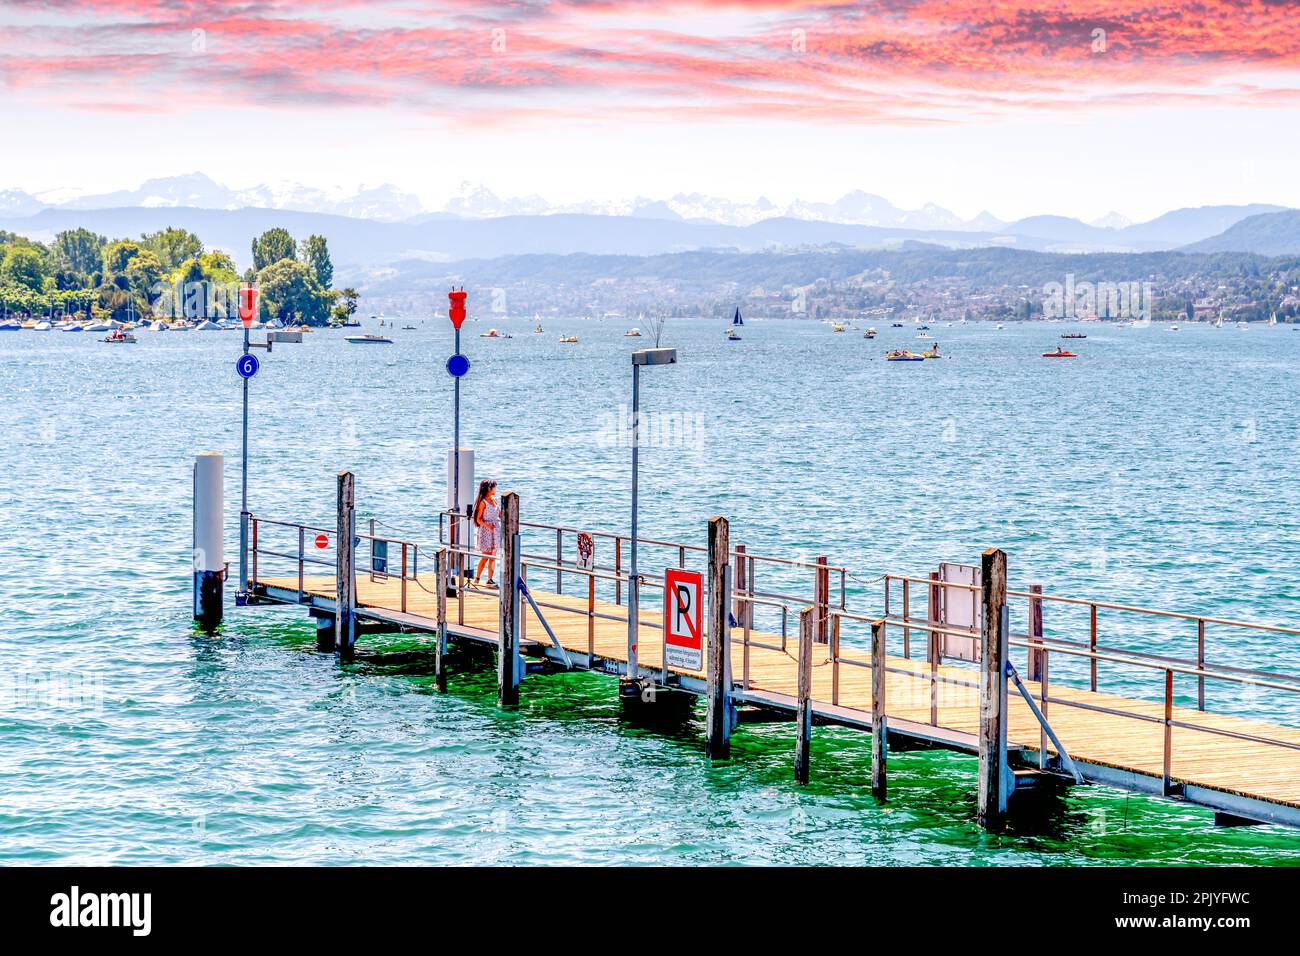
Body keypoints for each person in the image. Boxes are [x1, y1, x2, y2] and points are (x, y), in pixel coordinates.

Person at [472, 479, 500, 586]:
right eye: (494, 487)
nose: (495, 489)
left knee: (493, 555)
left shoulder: (494, 499)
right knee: (485, 556)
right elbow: (478, 519)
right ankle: (477, 578)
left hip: (495, 530)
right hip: (486, 531)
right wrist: (487, 525)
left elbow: (499, 514)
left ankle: (490, 579)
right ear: (489, 488)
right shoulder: (483, 502)